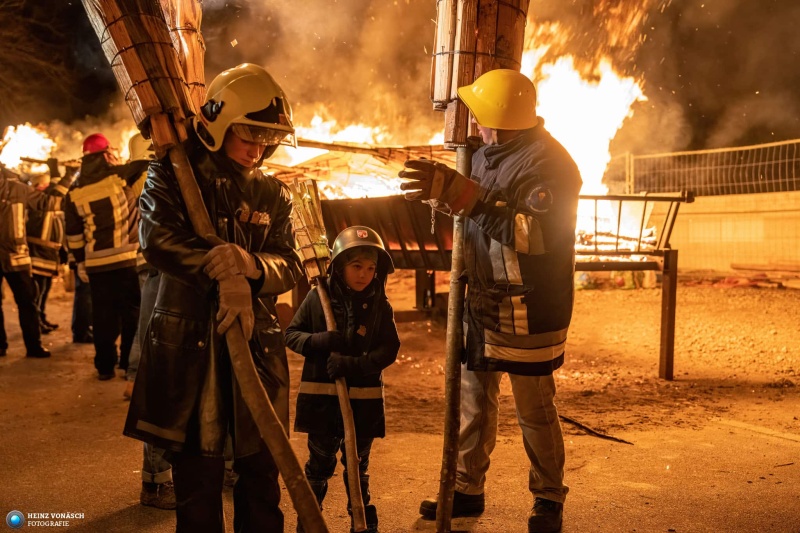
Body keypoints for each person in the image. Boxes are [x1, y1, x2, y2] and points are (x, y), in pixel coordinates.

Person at [399, 68, 582, 533]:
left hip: (528, 309)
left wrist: (467, 197)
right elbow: (475, 209)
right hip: (482, 302)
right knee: (473, 402)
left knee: (534, 409)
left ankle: (548, 499)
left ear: (497, 118)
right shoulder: (488, 155)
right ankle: (466, 489)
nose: (475, 123)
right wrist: (447, 195)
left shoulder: (552, 166)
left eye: (479, 114)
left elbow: (533, 234)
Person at [124, 62, 302, 532]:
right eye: (249, 136)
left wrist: (252, 267)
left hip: (256, 343)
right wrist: (217, 271)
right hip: (190, 341)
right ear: (220, 122)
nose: (258, 149)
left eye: (267, 139)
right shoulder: (173, 171)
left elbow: (291, 260)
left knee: (261, 470)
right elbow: (158, 239)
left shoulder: (274, 193)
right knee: (198, 478)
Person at [285, 226, 400, 533]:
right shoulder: (317, 298)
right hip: (322, 404)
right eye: (356, 266)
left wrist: (354, 364)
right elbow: (291, 335)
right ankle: (309, 523)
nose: (364, 274)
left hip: (362, 406)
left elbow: (389, 349)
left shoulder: (379, 306)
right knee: (319, 466)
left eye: (371, 268)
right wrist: (322, 341)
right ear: (338, 267)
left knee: (358, 467)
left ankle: (361, 522)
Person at [119, 132, 175, 510]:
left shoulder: (135, 177)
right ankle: (155, 483)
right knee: (160, 372)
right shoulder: (155, 177)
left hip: (152, 270)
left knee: (156, 368)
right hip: (161, 271)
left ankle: (158, 481)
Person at [64, 133, 145, 380]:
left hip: (97, 265)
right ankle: (125, 363)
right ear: (107, 154)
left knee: (103, 316)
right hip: (128, 261)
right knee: (131, 313)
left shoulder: (74, 192)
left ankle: (105, 367)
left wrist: (80, 262)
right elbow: (145, 163)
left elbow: (74, 235)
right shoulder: (122, 175)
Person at [0, 164, 64, 358]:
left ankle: (32, 346)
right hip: (16, 255)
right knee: (27, 302)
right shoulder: (17, 188)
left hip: (16, 255)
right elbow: (51, 202)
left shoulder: (18, 189)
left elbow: (50, 203)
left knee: (27, 302)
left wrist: (63, 179)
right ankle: (18, 346)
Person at [26, 160, 74, 334]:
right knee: (37, 292)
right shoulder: (37, 201)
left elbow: (55, 187)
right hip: (37, 253)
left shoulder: (45, 198)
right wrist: (68, 174)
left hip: (49, 253)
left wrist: (54, 170)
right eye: (45, 184)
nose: (48, 186)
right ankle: (36, 322)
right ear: (39, 186)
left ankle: (41, 318)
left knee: (44, 290)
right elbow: (58, 192)